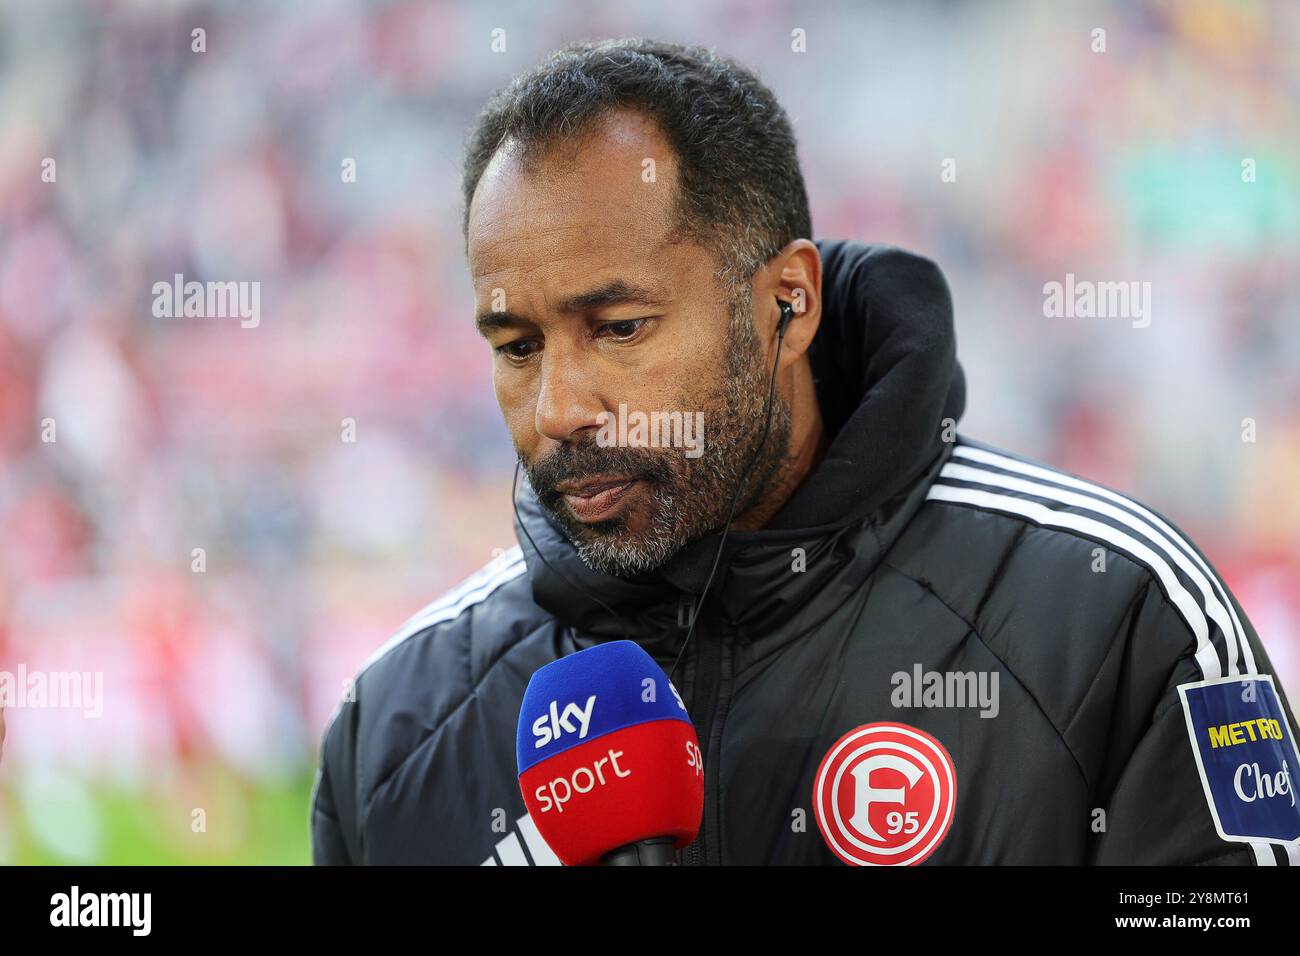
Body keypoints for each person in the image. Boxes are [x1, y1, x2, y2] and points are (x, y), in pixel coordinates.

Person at [311, 39, 1300, 865]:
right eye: (517, 346)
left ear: (786, 302)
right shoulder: (396, 724)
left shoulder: (1115, 613)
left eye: (617, 327)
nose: (561, 406)